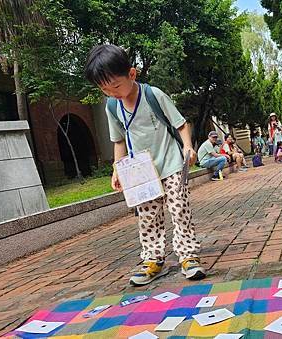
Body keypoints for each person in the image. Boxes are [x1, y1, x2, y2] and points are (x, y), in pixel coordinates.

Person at [84, 44, 206, 285]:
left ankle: (188, 256)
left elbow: (181, 124)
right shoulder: (112, 106)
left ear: (131, 74)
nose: (112, 93)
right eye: (105, 89)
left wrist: (187, 146)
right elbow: (118, 140)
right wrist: (117, 168)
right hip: (141, 172)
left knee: (179, 208)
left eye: (116, 86)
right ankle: (153, 259)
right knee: (147, 216)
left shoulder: (153, 95)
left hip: (170, 162)